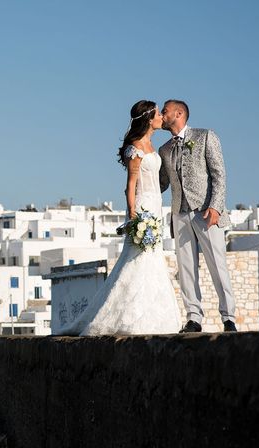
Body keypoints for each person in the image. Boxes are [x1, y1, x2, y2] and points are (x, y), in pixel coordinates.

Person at [55, 100, 180, 335]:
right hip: (142, 206)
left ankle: (154, 316)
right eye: (158, 114)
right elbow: (130, 185)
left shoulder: (153, 146)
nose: (162, 117)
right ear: (148, 119)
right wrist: (133, 213)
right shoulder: (135, 148)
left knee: (153, 258)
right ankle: (126, 316)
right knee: (137, 257)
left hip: (156, 205)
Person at [159, 100, 237, 332]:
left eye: (165, 111)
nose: (162, 115)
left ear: (179, 113)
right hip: (179, 214)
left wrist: (215, 206)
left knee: (217, 266)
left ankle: (228, 318)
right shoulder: (164, 149)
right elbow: (162, 182)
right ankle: (194, 318)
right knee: (186, 270)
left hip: (206, 212)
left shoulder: (205, 136)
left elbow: (219, 175)